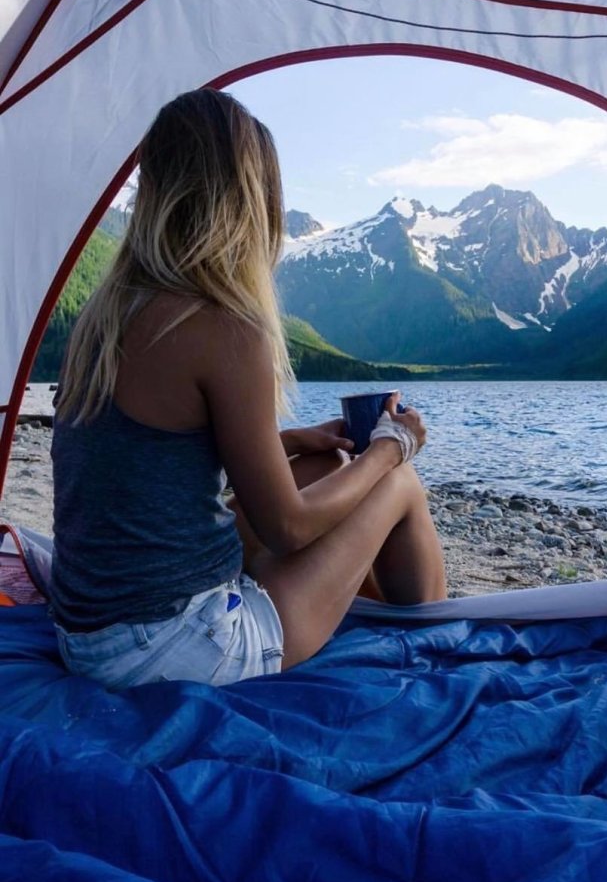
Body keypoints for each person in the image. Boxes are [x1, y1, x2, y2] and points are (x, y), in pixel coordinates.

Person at [49, 88, 446, 689]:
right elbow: (286, 526)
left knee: (323, 460)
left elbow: (144, 456)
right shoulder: (220, 323)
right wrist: (393, 445)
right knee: (397, 483)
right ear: (249, 201)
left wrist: (288, 438)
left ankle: (372, 592)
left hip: (86, 633)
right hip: (172, 648)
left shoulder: (105, 316)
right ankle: (437, 641)